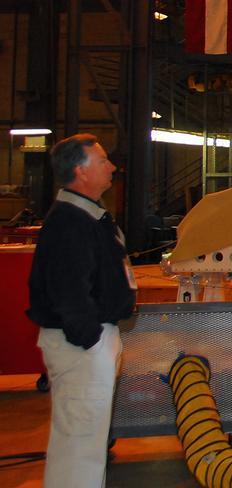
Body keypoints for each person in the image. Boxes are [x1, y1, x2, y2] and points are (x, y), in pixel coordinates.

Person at [27, 134, 136, 488]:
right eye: (102, 161)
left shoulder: (87, 216)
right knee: (80, 442)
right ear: (80, 171)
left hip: (92, 342)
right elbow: (68, 291)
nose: (112, 167)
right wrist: (91, 342)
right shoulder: (70, 223)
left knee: (87, 439)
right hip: (82, 346)